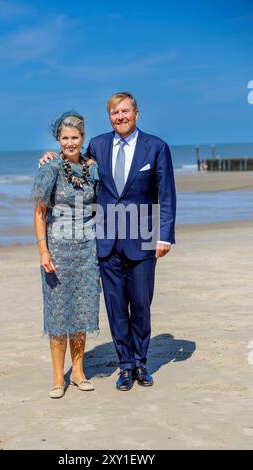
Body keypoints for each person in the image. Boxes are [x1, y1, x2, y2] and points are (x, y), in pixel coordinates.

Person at [39, 92, 176, 391]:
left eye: (125, 111)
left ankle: (141, 362)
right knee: (115, 307)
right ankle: (125, 366)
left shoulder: (156, 147)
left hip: (142, 239)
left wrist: (165, 237)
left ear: (137, 113)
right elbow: (74, 166)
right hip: (105, 241)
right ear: (110, 117)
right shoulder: (98, 146)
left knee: (140, 305)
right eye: (115, 113)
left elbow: (165, 195)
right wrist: (50, 156)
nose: (120, 117)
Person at [32, 112, 100, 399]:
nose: (70, 142)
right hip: (57, 252)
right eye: (65, 138)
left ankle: (80, 373)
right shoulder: (50, 168)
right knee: (59, 314)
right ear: (58, 140)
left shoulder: (92, 168)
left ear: (82, 139)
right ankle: (58, 378)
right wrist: (43, 250)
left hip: (87, 251)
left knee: (82, 312)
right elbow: (39, 212)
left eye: (75, 137)